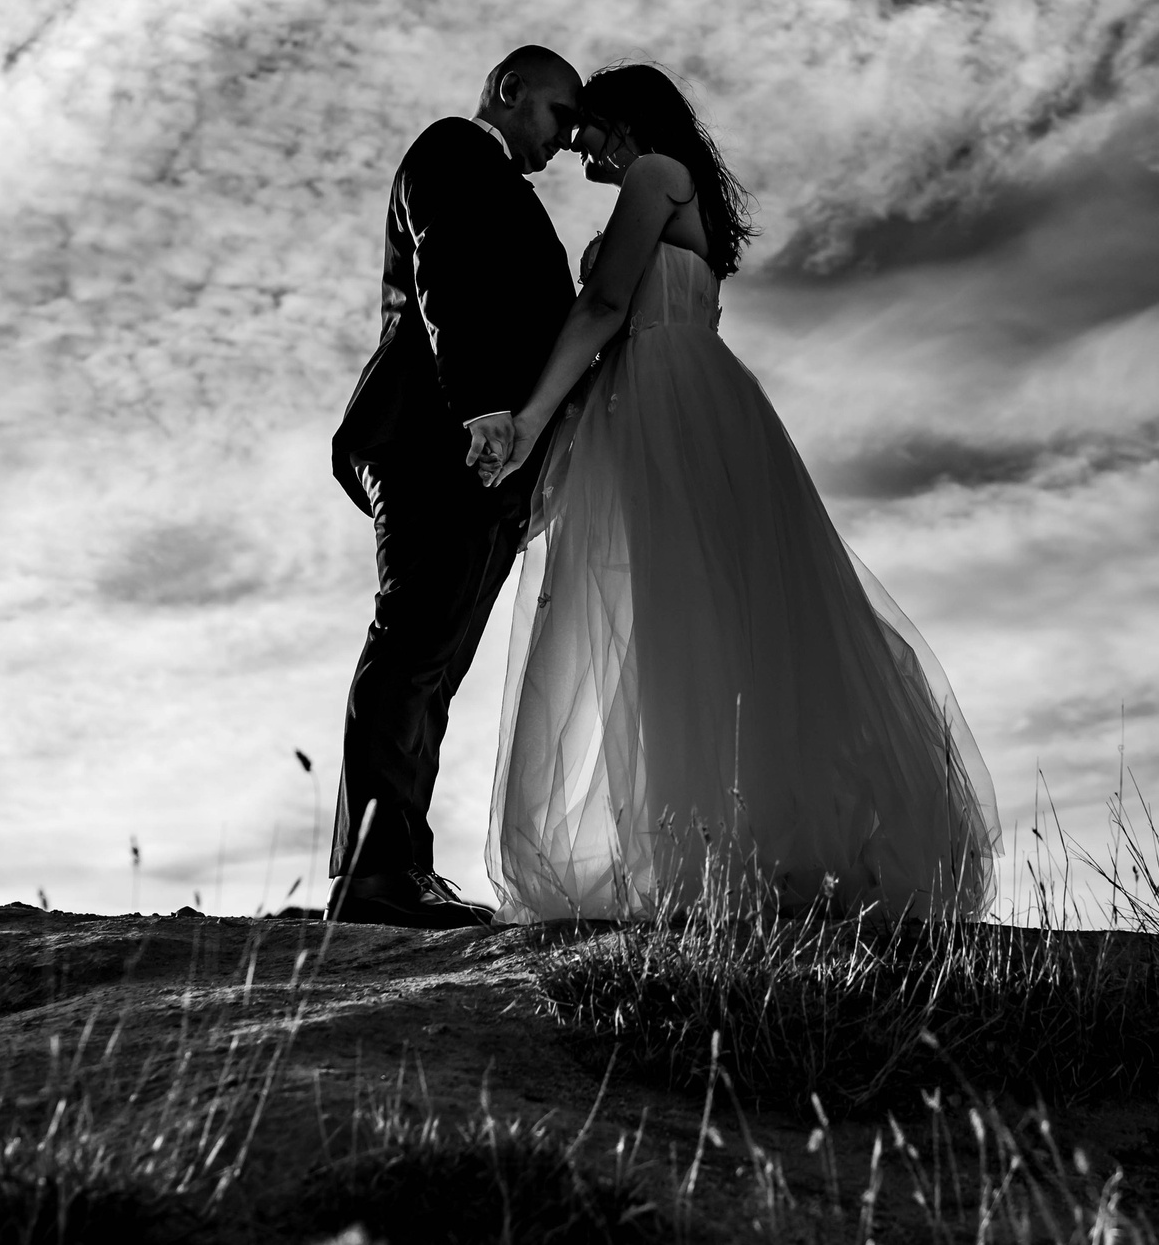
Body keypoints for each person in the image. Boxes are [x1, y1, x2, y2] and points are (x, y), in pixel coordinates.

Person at [469, 64, 998, 921]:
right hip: (672, 405)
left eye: (589, 127)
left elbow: (605, 304)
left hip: (665, 406)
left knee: (678, 625)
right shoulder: (677, 193)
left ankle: (705, 854)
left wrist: (527, 423)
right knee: (699, 630)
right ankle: (707, 852)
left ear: (630, 122)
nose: (577, 145)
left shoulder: (655, 175)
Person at [326, 46, 592, 928]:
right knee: (409, 642)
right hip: (432, 438)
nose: (565, 138)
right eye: (559, 113)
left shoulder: (509, 190)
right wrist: (482, 408)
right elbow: (450, 280)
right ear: (510, 92)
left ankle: (402, 867)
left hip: (486, 465)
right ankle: (371, 876)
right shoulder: (452, 150)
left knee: (435, 667)